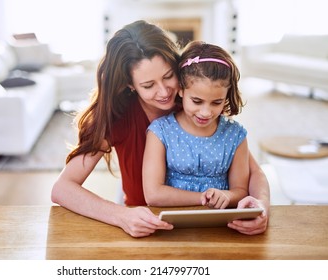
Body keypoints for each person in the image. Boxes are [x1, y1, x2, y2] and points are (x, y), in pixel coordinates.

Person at [51, 20, 270, 238]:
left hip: (214, 224)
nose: (165, 91)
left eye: (168, 76)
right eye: (148, 85)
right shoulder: (115, 116)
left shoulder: (196, 101)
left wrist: (261, 209)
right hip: (147, 223)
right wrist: (120, 215)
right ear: (130, 84)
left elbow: (253, 172)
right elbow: (62, 189)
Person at [143, 41, 249, 209]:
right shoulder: (160, 131)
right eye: (197, 101)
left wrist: (228, 195)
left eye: (216, 102)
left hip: (219, 224)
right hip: (172, 223)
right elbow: (153, 195)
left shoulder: (235, 135)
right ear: (181, 90)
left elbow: (241, 190)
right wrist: (203, 198)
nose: (206, 112)